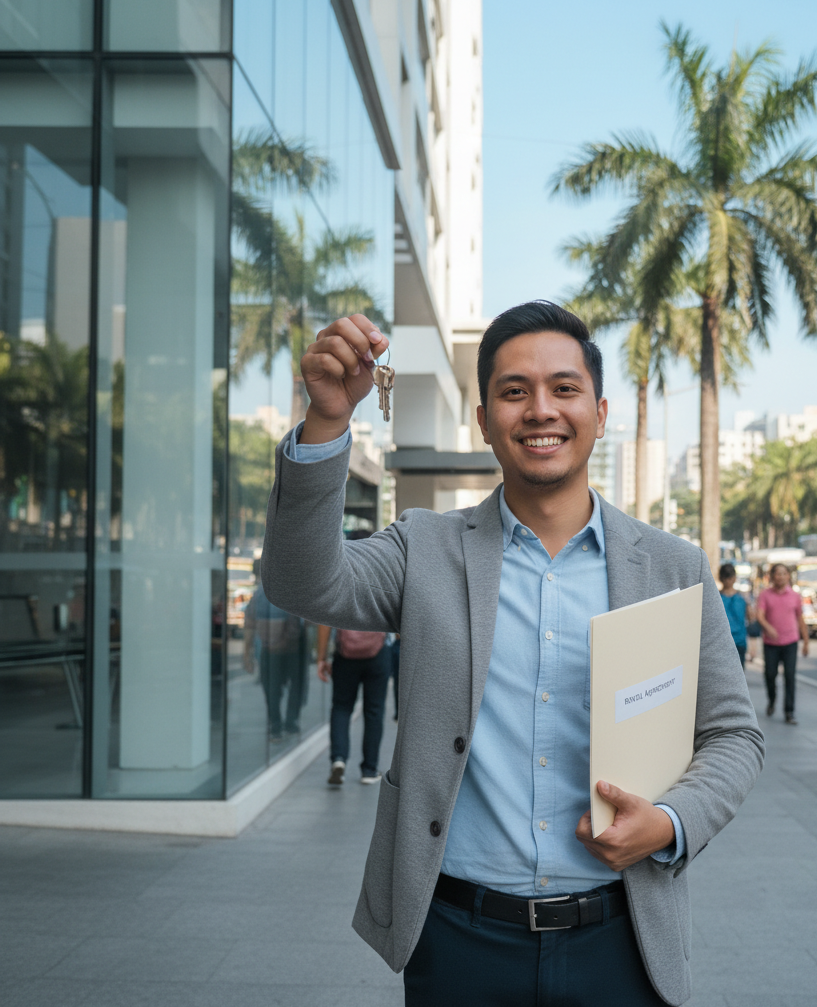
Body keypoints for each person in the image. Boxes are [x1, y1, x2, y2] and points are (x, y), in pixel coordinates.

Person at [261, 303, 765, 1006]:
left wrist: (671, 823)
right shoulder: (424, 549)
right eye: (514, 391)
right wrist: (326, 426)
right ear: (483, 417)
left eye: (564, 389)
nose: (540, 410)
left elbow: (733, 733)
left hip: (623, 942)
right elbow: (299, 580)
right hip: (461, 940)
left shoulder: (673, 568)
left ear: (600, 410)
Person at [316, 530, 390, 786]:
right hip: (377, 653)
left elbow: (324, 622)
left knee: (342, 707)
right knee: (374, 711)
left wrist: (321, 657)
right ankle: (369, 770)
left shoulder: (338, 577)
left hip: (345, 655)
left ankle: (338, 759)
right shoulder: (382, 573)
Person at [243, 558, 305, 741]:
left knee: (271, 689)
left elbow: (249, 624)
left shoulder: (258, 595)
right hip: (290, 651)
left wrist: (247, 653)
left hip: (269, 651)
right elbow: (298, 624)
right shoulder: (290, 592)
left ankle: (275, 725)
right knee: (295, 686)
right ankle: (291, 722)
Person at [756, 563, 810, 724]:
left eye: (784, 573)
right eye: (777, 574)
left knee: (790, 676)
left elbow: (800, 619)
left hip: (790, 642)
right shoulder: (765, 595)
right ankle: (772, 700)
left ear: (788, 576)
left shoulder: (794, 596)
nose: (780, 577)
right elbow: (760, 616)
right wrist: (768, 628)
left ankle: (789, 711)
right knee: (770, 675)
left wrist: (806, 641)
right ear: (772, 576)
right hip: (770, 643)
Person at [718, 563, 749, 668]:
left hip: (739, 641)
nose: (728, 581)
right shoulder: (716, 598)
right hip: (721, 643)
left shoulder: (742, 598)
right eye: (726, 577)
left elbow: (751, 618)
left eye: (730, 577)